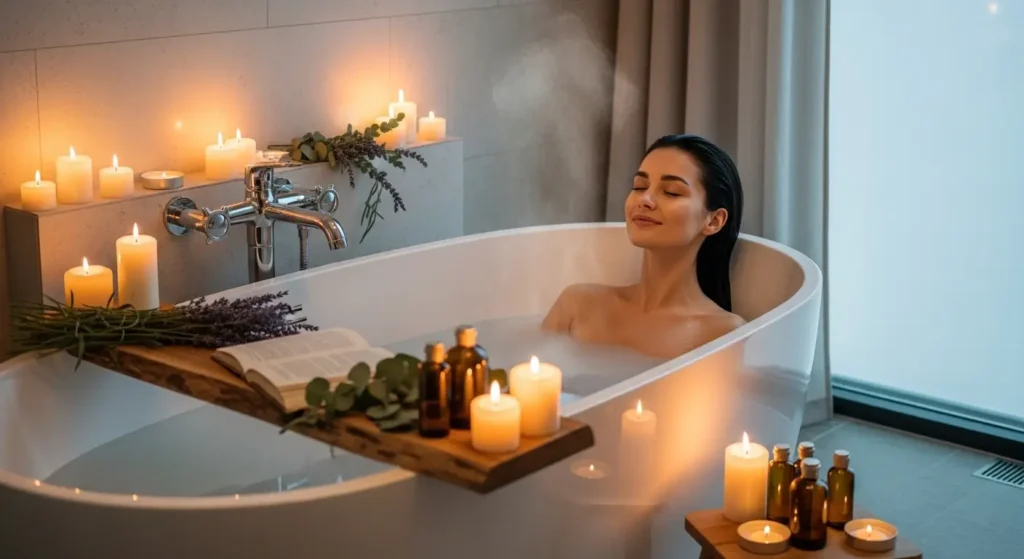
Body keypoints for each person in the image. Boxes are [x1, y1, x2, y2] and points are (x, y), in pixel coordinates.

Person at [542, 134, 746, 358]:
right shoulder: (577, 304)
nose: (645, 199)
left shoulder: (723, 334)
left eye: (671, 192)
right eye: (639, 186)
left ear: (714, 221)